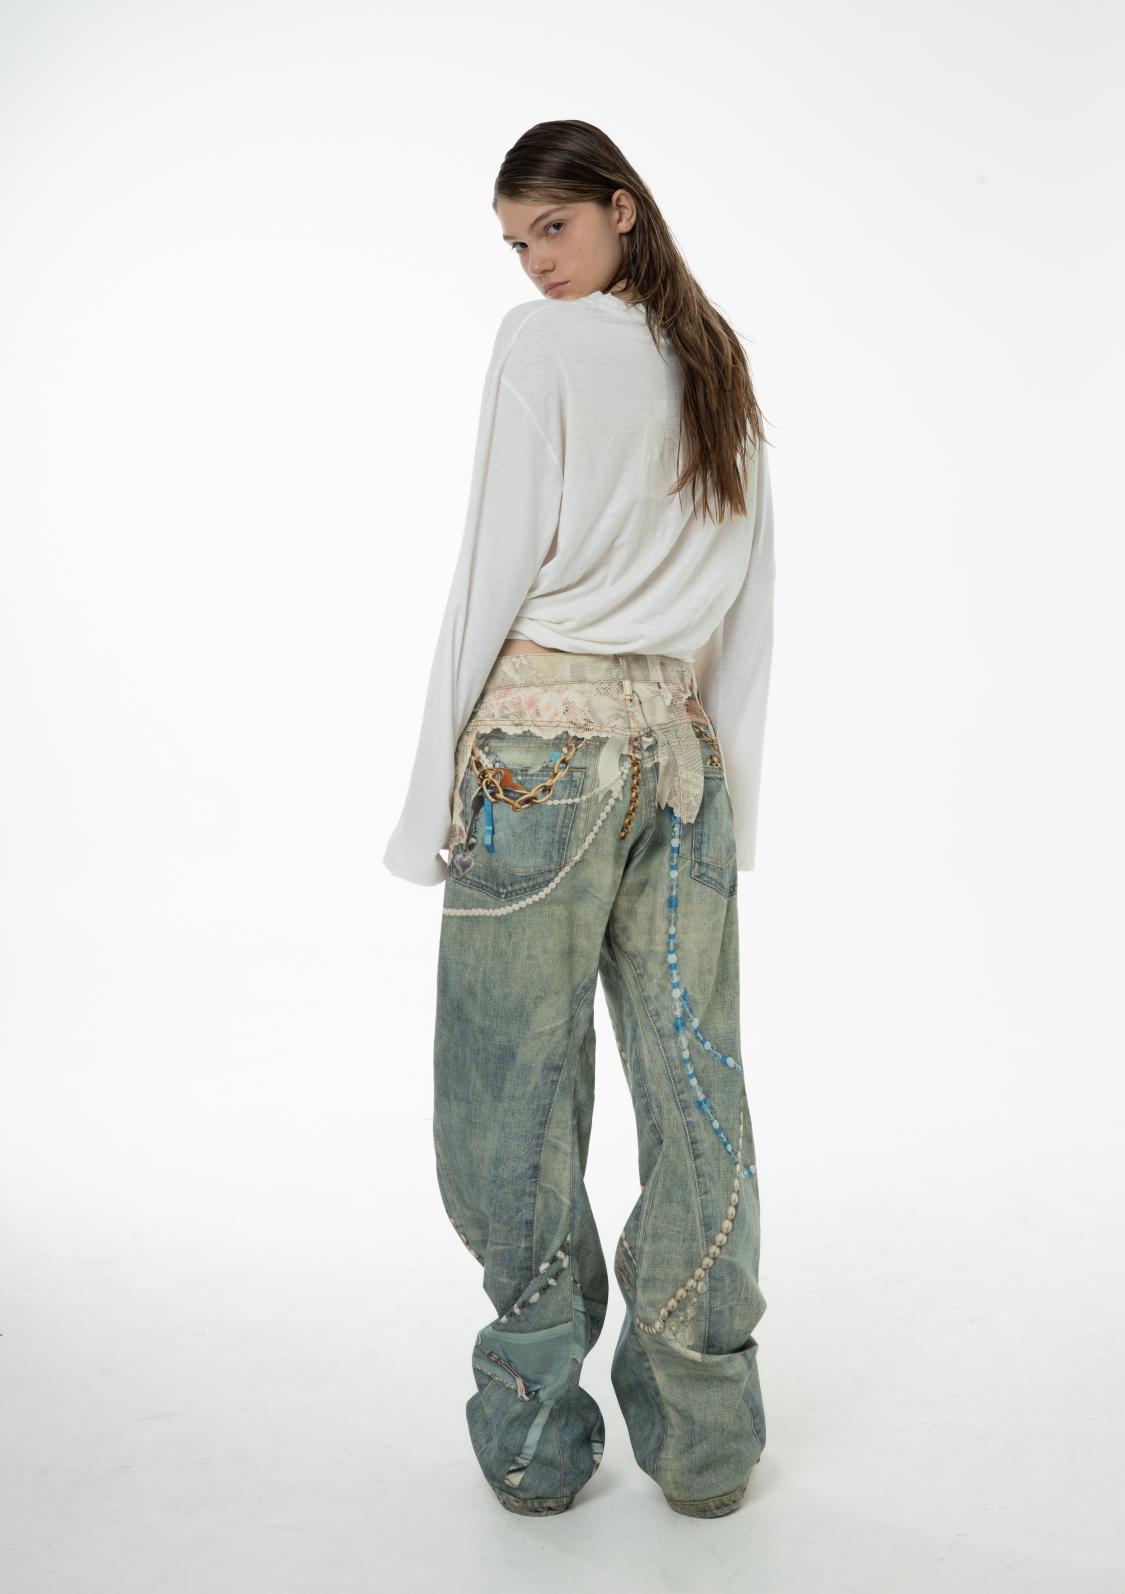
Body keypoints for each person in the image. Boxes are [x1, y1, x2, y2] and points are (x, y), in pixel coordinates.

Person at [381, 120, 775, 1519]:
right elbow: (748, 601)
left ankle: (539, 1431)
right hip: (681, 757)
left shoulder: (541, 348)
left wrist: (429, 796)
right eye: (516, 244)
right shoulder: (716, 357)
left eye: (553, 228)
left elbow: (490, 568)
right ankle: (709, 1438)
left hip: (538, 759)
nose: (536, 263)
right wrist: (730, 806)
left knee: (512, 1091)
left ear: (622, 207)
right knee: (696, 1089)